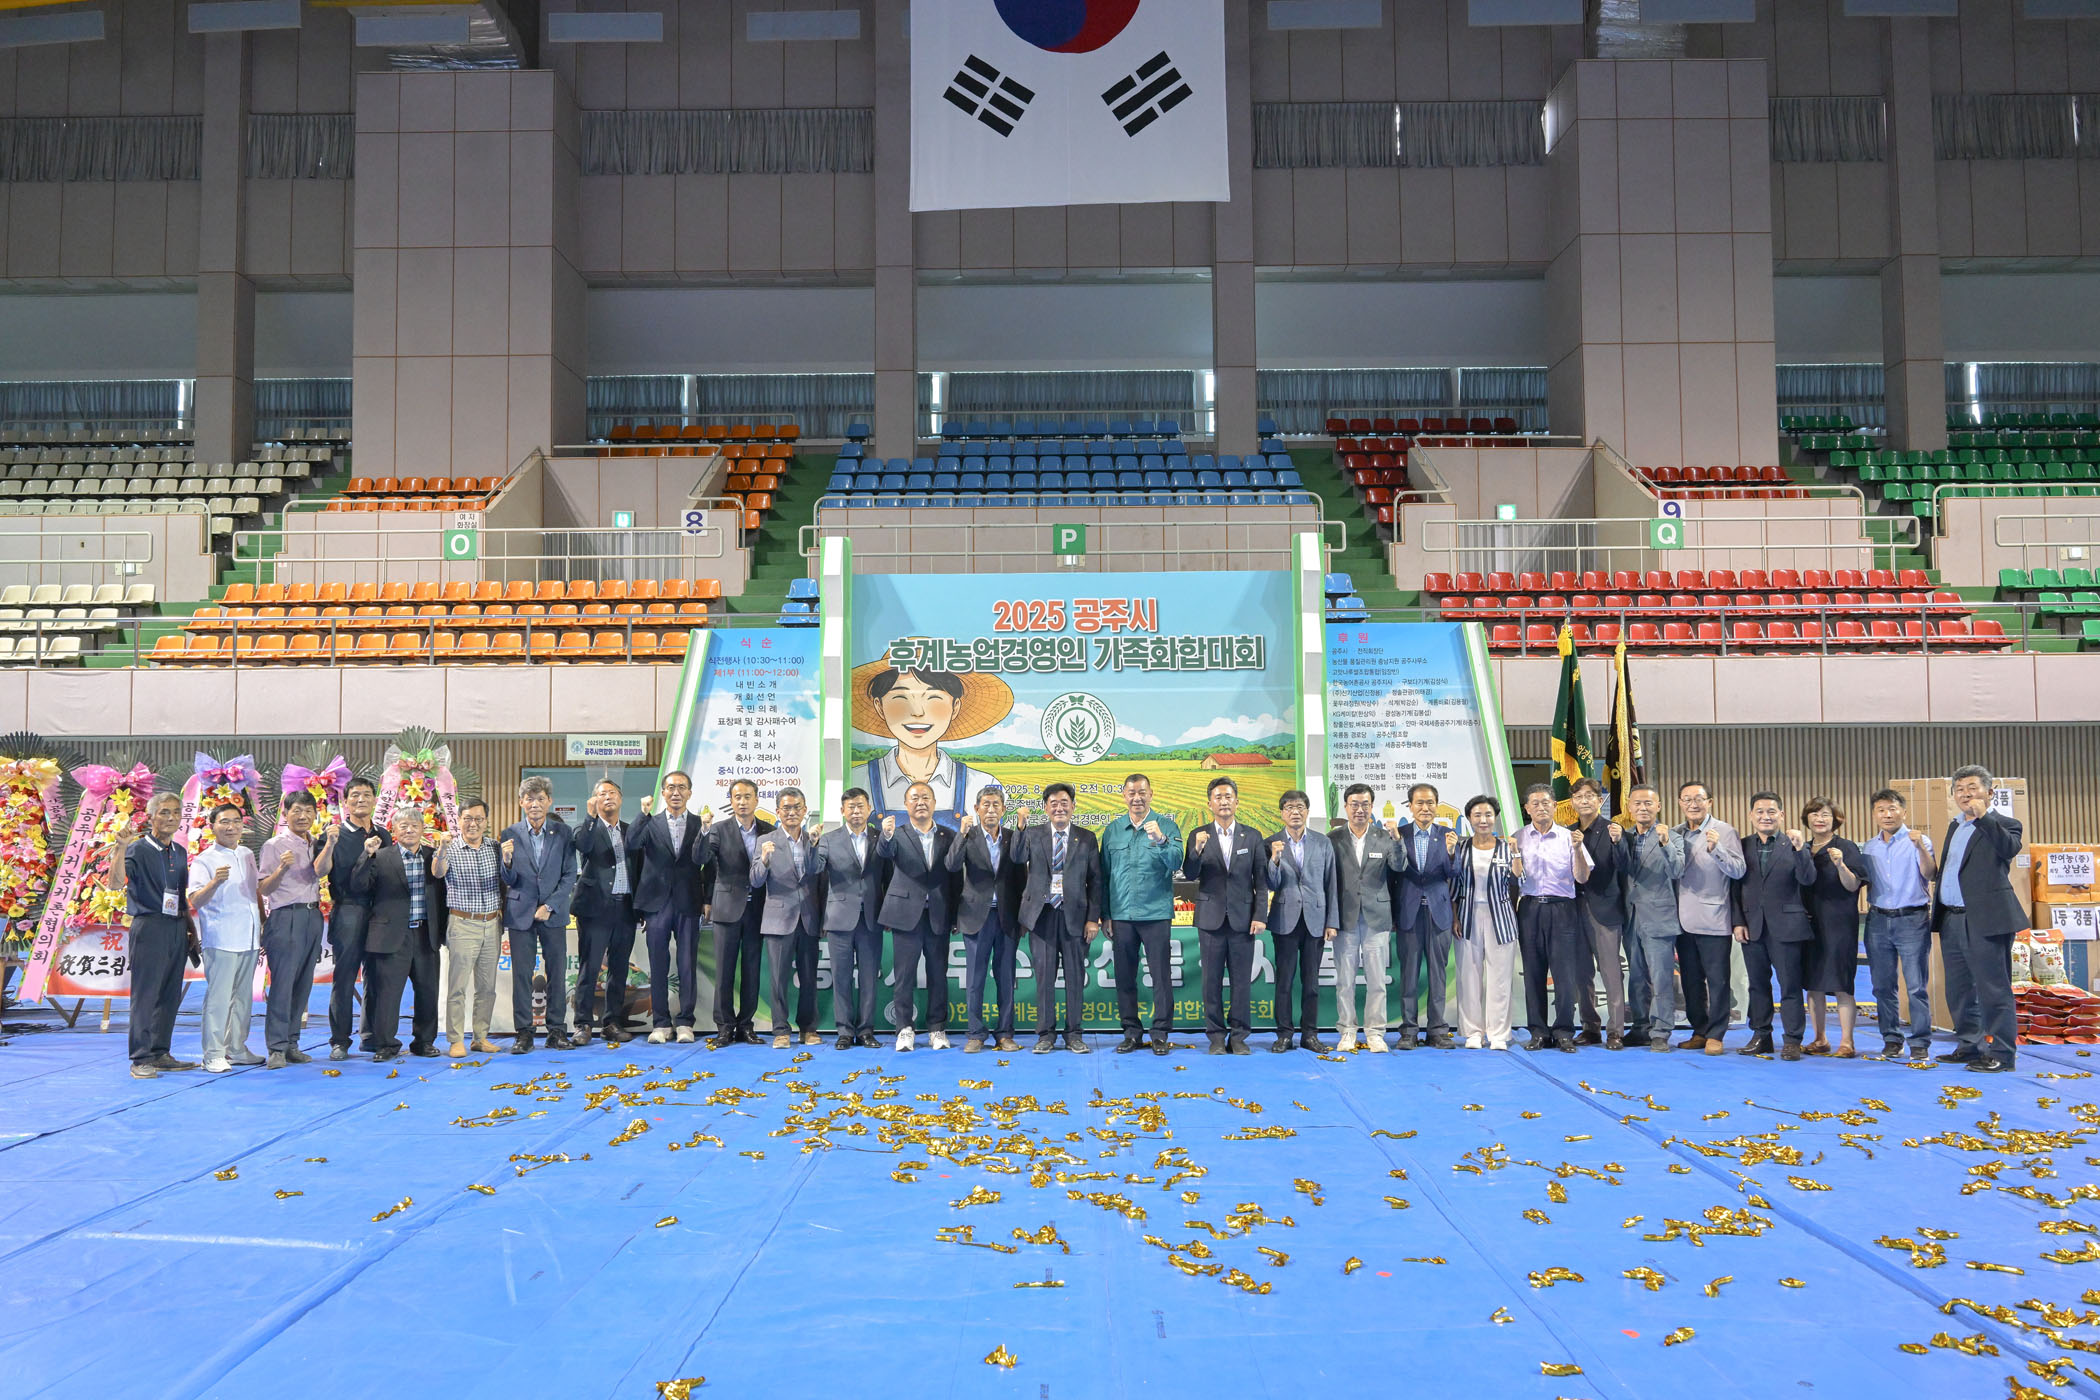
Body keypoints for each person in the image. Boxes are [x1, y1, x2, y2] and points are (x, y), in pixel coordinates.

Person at [1935, 765, 2025, 1074]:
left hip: (1986, 919)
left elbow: (2008, 849)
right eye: (1959, 789)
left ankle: (2002, 1053)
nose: (1965, 794)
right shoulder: (1955, 827)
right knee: (1958, 989)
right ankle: (1969, 1045)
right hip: (1952, 918)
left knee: (1993, 988)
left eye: (1972, 788)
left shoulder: (2006, 824)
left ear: (1989, 792)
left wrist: (1983, 817)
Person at [344, 809, 448, 1063]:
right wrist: (366, 856)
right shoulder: (381, 856)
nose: (409, 830)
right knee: (387, 994)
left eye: (414, 825)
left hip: (426, 934)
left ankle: (424, 1042)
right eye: (403, 826)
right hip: (390, 936)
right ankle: (386, 1044)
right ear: (394, 830)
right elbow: (358, 886)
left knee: (428, 991)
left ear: (422, 829)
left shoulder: (433, 856)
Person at [852, 662, 1015, 824]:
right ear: (879, 706)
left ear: (955, 707)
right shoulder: (857, 781)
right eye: (901, 698)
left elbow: (1000, 838)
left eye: (933, 698)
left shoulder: (983, 786)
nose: (918, 712)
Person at [111, 792, 198, 1078]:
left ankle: (161, 1052)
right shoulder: (137, 849)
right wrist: (120, 848)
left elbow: (181, 896)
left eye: (176, 812)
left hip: (176, 926)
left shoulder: (180, 852)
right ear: (150, 817)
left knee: (170, 994)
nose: (171, 818)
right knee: (146, 994)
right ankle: (141, 1058)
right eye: (164, 812)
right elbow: (115, 883)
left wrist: (190, 929)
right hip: (149, 926)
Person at [1183, 776, 1269, 1056]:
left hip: (1243, 920)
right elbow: (1190, 874)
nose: (1223, 801)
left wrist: (1260, 915)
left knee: (1242, 981)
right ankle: (1216, 1036)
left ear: (1237, 802)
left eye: (1228, 796)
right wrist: (1196, 850)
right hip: (1210, 919)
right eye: (1218, 797)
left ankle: (1240, 1036)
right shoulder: (1198, 834)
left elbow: (1261, 881)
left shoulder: (1252, 836)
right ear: (1209, 803)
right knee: (1211, 982)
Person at [1730, 792, 1818, 1059]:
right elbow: (1734, 888)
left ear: (1781, 815)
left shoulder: (1794, 844)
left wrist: (1801, 850)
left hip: (1787, 927)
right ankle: (1761, 1036)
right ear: (1750, 816)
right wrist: (1738, 921)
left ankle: (1792, 1039)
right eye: (1759, 811)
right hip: (1752, 927)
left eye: (1771, 812)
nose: (1765, 816)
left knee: (1790, 986)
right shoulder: (1742, 845)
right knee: (1757, 985)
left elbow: (1808, 879)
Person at [1098, 773, 1181, 1056]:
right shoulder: (1113, 830)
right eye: (1131, 793)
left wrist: (1161, 840)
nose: (1137, 798)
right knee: (1124, 977)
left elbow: (1176, 862)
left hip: (1155, 913)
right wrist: (1106, 914)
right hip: (1122, 915)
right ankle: (1131, 1033)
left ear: (1151, 794)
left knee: (1161, 977)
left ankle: (1160, 1033)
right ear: (1124, 795)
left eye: (1142, 792)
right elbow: (1104, 875)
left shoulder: (1166, 825)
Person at [1017, 782, 1102, 1054]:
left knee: (1075, 977)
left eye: (1064, 802)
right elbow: (1017, 858)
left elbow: (1096, 881)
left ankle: (1074, 1034)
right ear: (1045, 808)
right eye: (1053, 803)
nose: (1059, 808)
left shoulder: (1086, 838)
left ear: (1073, 806)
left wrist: (1093, 919)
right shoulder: (1033, 834)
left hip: (1075, 916)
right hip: (1042, 916)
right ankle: (1045, 1034)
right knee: (1044, 978)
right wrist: (1020, 827)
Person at [946, 784, 1025, 1054]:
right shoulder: (968, 836)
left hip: (1006, 917)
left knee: (1006, 978)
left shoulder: (1013, 837)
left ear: (1003, 810)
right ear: (977, 809)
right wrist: (961, 833)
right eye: (986, 805)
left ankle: (1005, 1034)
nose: (991, 810)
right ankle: (976, 1034)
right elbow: (951, 865)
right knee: (975, 979)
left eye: (996, 805)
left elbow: (1021, 876)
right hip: (975, 917)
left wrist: (1022, 916)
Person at [878, 780, 956, 1051]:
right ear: (906, 804)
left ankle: (937, 1029)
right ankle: (904, 1029)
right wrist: (885, 836)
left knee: (938, 974)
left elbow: (954, 877)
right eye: (914, 798)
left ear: (934, 803)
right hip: (905, 915)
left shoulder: (948, 835)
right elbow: (884, 854)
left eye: (925, 797)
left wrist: (954, 916)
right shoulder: (896, 834)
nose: (920, 802)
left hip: (938, 914)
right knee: (904, 975)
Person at [500, 777, 576, 1053]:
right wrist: (506, 861)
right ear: (521, 802)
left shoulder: (563, 833)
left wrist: (550, 906)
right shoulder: (509, 833)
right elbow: (507, 879)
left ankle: (556, 1030)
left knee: (556, 971)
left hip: (553, 914)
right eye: (529, 799)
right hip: (520, 912)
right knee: (522, 975)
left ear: (549, 801)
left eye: (540, 798)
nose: (535, 804)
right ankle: (524, 1033)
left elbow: (569, 875)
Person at [1513, 783, 1591, 1053]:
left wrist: (1578, 849)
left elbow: (1583, 877)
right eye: (1534, 803)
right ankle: (1538, 1032)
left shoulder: (1570, 837)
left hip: (1563, 909)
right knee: (1533, 974)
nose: (1540, 807)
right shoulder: (1517, 838)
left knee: (1564, 974)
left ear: (1555, 806)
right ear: (1527, 808)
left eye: (1545, 802)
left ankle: (1564, 1032)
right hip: (1530, 908)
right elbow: (1512, 878)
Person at [1860, 787, 1936, 1061]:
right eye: (1881, 810)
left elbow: (1930, 873)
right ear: (1874, 815)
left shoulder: (1919, 840)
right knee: (1882, 986)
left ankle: (1920, 1042)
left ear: (1903, 811)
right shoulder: (1869, 847)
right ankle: (1891, 1039)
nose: (1887, 814)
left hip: (1912, 919)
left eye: (1892, 809)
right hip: (1878, 920)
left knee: (1916, 986)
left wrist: (1920, 848)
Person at [258, 791, 333, 1069]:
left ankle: (292, 1043)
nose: (303, 816)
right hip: (285, 917)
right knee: (283, 984)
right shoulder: (274, 845)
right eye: (297, 810)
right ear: (285, 813)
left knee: (303, 983)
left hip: (312, 916)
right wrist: (281, 869)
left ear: (315, 814)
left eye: (308, 811)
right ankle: (276, 1047)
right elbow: (264, 888)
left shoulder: (316, 843)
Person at [187, 803, 264, 1074]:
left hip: (249, 936)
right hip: (221, 938)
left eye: (236, 821)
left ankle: (237, 1048)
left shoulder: (246, 854)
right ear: (213, 826)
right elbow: (195, 900)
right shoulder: (204, 860)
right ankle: (213, 1054)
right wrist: (214, 883)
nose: (231, 827)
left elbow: (255, 892)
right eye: (224, 822)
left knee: (243, 998)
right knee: (219, 999)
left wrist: (263, 922)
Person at [696, 778, 772, 1049]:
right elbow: (701, 860)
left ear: (756, 799)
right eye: (737, 797)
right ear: (730, 801)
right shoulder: (718, 829)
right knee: (724, 971)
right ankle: (725, 1027)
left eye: (747, 796)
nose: (742, 802)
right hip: (727, 909)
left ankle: (746, 1025)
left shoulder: (769, 830)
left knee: (752, 970)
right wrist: (703, 831)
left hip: (757, 910)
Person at [811, 787, 889, 1050]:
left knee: (869, 978)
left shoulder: (881, 838)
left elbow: (888, 877)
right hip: (839, 918)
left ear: (869, 809)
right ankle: (844, 1031)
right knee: (841, 977)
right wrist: (812, 846)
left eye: (860, 806)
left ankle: (866, 1030)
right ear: (842, 811)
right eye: (851, 807)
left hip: (871, 918)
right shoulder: (828, 839)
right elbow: (815, 869)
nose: (856, 811)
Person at [635, 772, 708, 1044]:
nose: (676, 792)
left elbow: (709, 863)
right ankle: (661, 1023)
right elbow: (632, 845)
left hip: (689, 901)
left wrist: (707, 900)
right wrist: (642, 814)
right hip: (657, 903)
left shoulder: (700, 824)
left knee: (687, 963)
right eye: (670, 788)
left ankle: (686, 1022)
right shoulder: (650, 823)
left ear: (690, 793)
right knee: (658, 963)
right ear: (663, 793)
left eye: (681, 788)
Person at [1673, 780, 1745, 1055]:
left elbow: (1738, 870)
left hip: (1714, 918)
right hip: (1682, 920)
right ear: (1680, 803)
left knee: (1718, 981)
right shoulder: (1675, 833)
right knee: (1691, 981)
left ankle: (1716, 1034)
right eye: (1687, 799)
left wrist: (1717, 850)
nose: (1693, 804)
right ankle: (1699, 1030)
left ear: (1710, 802)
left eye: (1699, 799)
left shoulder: (1724, 831)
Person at [1263, 789, 1336, 1053]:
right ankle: (1284, 1034)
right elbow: (1269, 884)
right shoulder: (1271, 843)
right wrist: (1275, 860)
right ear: (1282, 813)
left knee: (1311, 982)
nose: (1295, 812)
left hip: (1316, 919)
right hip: (1285, 919)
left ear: (1307, 811)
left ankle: (1310, 1034)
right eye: (1289, 808)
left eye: (1300, 807)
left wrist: (1332, 921)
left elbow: (1331, 883)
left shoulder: (1322, 842)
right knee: (1284, 981)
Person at [1332, 783, 1403, 1053]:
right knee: (1345, 980)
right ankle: (1347, 1031)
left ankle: (1375, 1032)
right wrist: (1330, 920)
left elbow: (1399, 866)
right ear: (1346, 807)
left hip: (1377, 917)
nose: (1359, 809)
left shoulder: (1384, 837)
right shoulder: (1333, 838)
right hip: (1345, 918)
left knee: (1376, 981)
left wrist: (1397, 840)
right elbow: (1329, 881)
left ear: (1372, 807)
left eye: (1365, 804)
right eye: (1354, 804)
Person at [1387, 782, 1458, 1049]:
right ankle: (1408, 1031)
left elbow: (1455, 874)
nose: (1425, 808)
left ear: (1436, 806)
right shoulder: (1399, 834)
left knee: (1438, 973)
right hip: (1408, 911)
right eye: (1419, 803)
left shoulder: (1448, 835)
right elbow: (1392, 874)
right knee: (1409, 973)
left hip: (1439, 912)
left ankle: (1437, 1030)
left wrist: (1451, 853)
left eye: (1430, 803)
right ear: (1411, 806)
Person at [753, 787, 824, 1049]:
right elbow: (755, 880)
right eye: (786, 808)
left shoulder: (814, 839)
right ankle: (781, 1030)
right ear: (778, 811)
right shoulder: (765, 840)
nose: (792, 812)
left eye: (797, 807)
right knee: (778, 979)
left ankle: (808, 1029)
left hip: (808, 918)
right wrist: (764, 860)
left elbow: (818, 873)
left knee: (809, 978)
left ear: (805, 810)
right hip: (778, 919)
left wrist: (814, 846)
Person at [431, 799, 502, 1057]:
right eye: (468, 818)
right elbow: (438, 873)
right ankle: (456, 1040)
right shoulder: (449, 848)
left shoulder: (495, 847)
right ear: (459, 820)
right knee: (458, 987)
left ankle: (480, 1037)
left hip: (492, 924)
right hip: (462, 924)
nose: (473, 824)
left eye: (479, 819)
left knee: (487, 987)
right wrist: (441, 848)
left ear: (486, 822)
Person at [1449, 794, 1519, 1050]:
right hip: (1468, 917)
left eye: (1488, 815)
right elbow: (1453, 886)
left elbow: (1519, 880)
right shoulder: (1462, 848)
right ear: (1469, 818)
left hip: (1500, 917)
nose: (1483, 820)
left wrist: (1516, 852)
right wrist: (1455, 917)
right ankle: (1473, 1032)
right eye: (1477, 815)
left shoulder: (1507, 847)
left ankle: (1498, 1034)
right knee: (1469, 976)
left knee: (1500, 978)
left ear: (1495, 818)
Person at [571, 781, 639, 1046]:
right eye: (602, 794)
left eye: (612, 793)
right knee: (590, 969)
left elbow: (639, 868)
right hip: (595, 909)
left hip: (625, 908)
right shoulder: (586, 827)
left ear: (620, 798)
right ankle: (583, 1024)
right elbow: (583, 846)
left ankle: (612, 1023)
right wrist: (590, 816)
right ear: (594, 800)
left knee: (619, 970)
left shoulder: (630, 831)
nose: (608, 797)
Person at [1801, 797, 1870, 1058]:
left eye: (1825, 815)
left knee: (1842, 982)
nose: (1819, 819)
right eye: (1814, 814)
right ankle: (1819, 1039)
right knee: (1813, 983)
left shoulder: (1846, 847)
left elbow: (1853, 886)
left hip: (1838, 923)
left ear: (1835, 820)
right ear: (1807, 819)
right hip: (1809, 924)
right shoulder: (1803, 848)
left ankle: (1847, 1042)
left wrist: (1840, 864)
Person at [1620, 785, 1687, 1052]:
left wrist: (1665, 843)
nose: (1643, 808)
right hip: (1630, 917)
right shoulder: (1623, 837)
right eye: (1637, 803)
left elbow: (1678, 870)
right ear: (1629, 807)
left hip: (1659, 916)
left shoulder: (1672, 837)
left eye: (1648, 803)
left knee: (1661, 978)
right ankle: (1640, 1027)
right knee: (1636, 977)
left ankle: (1661, 1031)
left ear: (1658, 806)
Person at [326, 776, 388, 1061]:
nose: (361, 799)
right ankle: (340, 1041)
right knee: (345, 977)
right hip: (348, 910)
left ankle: (371, 1036)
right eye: (355, 795)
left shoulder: (384, 834)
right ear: (346, 801)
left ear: (375, 800)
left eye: (366, 794)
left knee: (375, 976)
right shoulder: (335, 834)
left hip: (379, 912)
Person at [1569, 778, 1629, 1050]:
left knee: (1611, 972)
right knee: (1582, 972)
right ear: (1572, 802)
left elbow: (1624, 866)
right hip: (1574, 910)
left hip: (1605, 909)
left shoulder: (1613, 830)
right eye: (1578, 796)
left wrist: (1619, 842)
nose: (1584, 801)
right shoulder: (1568, 832)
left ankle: (1616, 1031)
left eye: (1589, 796)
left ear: (1600, 800)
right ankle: (1590, 1027)